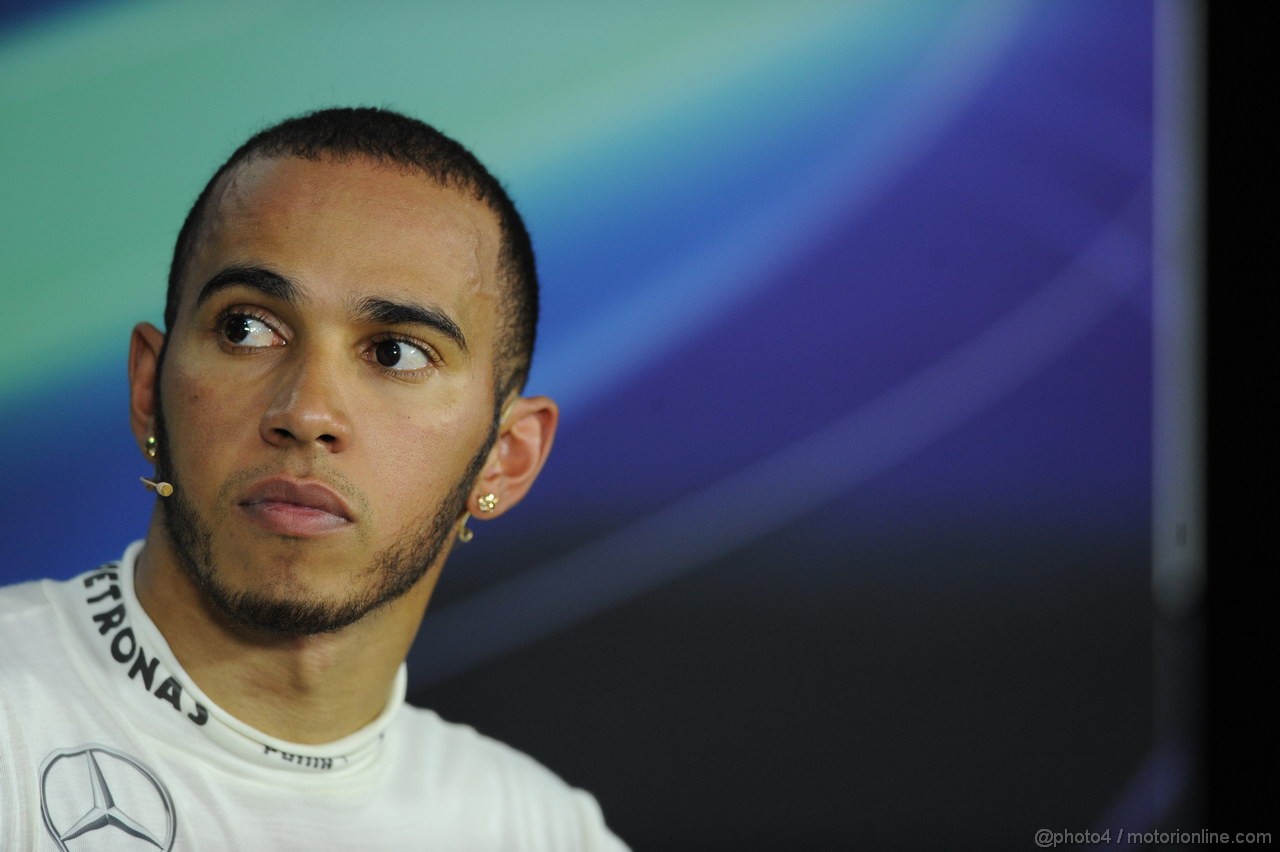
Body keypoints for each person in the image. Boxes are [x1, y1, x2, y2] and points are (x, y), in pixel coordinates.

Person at [0, 107, 627, 850]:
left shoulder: (541, 831)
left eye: (396, 352)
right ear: (149, 391)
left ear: (506, 457)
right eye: (247, 328)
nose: (307, 412)